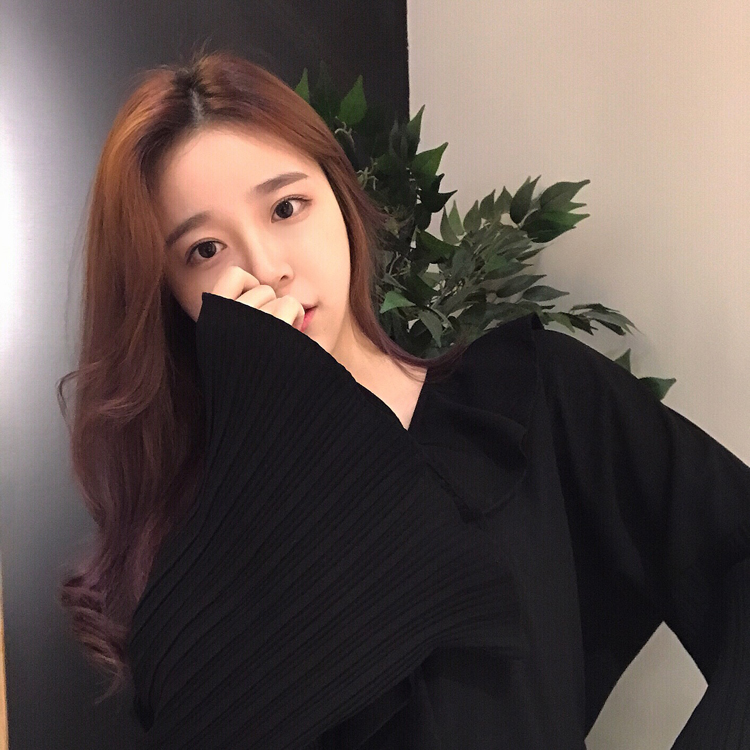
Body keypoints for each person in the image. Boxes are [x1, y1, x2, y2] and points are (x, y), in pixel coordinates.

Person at [57, 50, 750, 750]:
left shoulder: (532, 403)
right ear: (171, 296)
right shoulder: (193, 546)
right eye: (205, 251)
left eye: (287, 208)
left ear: (340, 199)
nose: (266, 268)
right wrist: (264, 423)